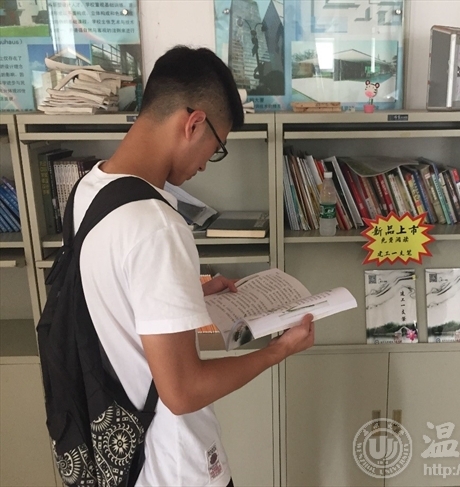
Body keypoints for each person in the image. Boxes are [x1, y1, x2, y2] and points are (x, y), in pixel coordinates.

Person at [72, 46, 315, 486]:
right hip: (173, 464)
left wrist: (189, 291)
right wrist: (277, 351)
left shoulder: (92, 189)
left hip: (115, 451)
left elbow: (111, 294)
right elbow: (183, 393)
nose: (204, 164)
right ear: (194, 123)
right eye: (215, 148)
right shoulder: (157, 225)